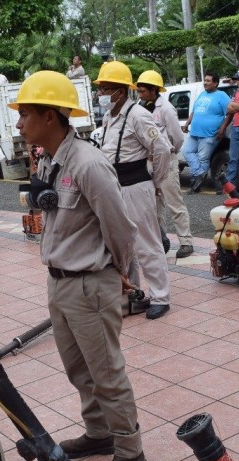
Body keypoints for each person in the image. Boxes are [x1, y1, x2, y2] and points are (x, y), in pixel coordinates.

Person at [9, 71, 146, 461]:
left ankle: (130, 452)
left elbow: (120, 227)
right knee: (79, 369)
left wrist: (120, 273)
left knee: (106, 370)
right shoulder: (51, 160)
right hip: (61, 281)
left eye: (26, 114)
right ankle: (100, 432)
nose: (19, 124)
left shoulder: (88, 163)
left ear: (51, 116)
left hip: (90, 282)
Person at [95, 60, 172, 320]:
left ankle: (161, 296)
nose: (101, 95)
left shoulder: (138, 115)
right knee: (122, 244)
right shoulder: (108, 117)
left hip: (136, 184)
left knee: (147, 243)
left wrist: (157, 182)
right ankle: (134, 294)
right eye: (101, 89)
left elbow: (161, 149)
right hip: (115, 187)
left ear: (120, 90)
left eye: (105, 89)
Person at [136, 69, 194, 258]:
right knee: (154, 204)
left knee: (173, 202)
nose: (140, 94)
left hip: (166, 160)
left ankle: (185, 242)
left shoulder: (167, 109)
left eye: (143, 91)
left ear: (153, 91)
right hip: (149, 161)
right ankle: (160, 240)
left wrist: (170, 152)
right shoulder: (140, 108)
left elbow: (177, 137)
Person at [182, 71, 230, 192]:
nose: (205, 83)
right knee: (186, 151)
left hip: (210, 134)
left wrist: (223, 128)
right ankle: (200, 174)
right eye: (205, 80)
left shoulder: (222, 95)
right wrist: (187, 123)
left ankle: (196, 185)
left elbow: (230, 113)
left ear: (215, 83)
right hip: (195, 132)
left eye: (208, 81)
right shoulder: (202, 94)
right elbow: (194, 111)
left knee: (203, 158)